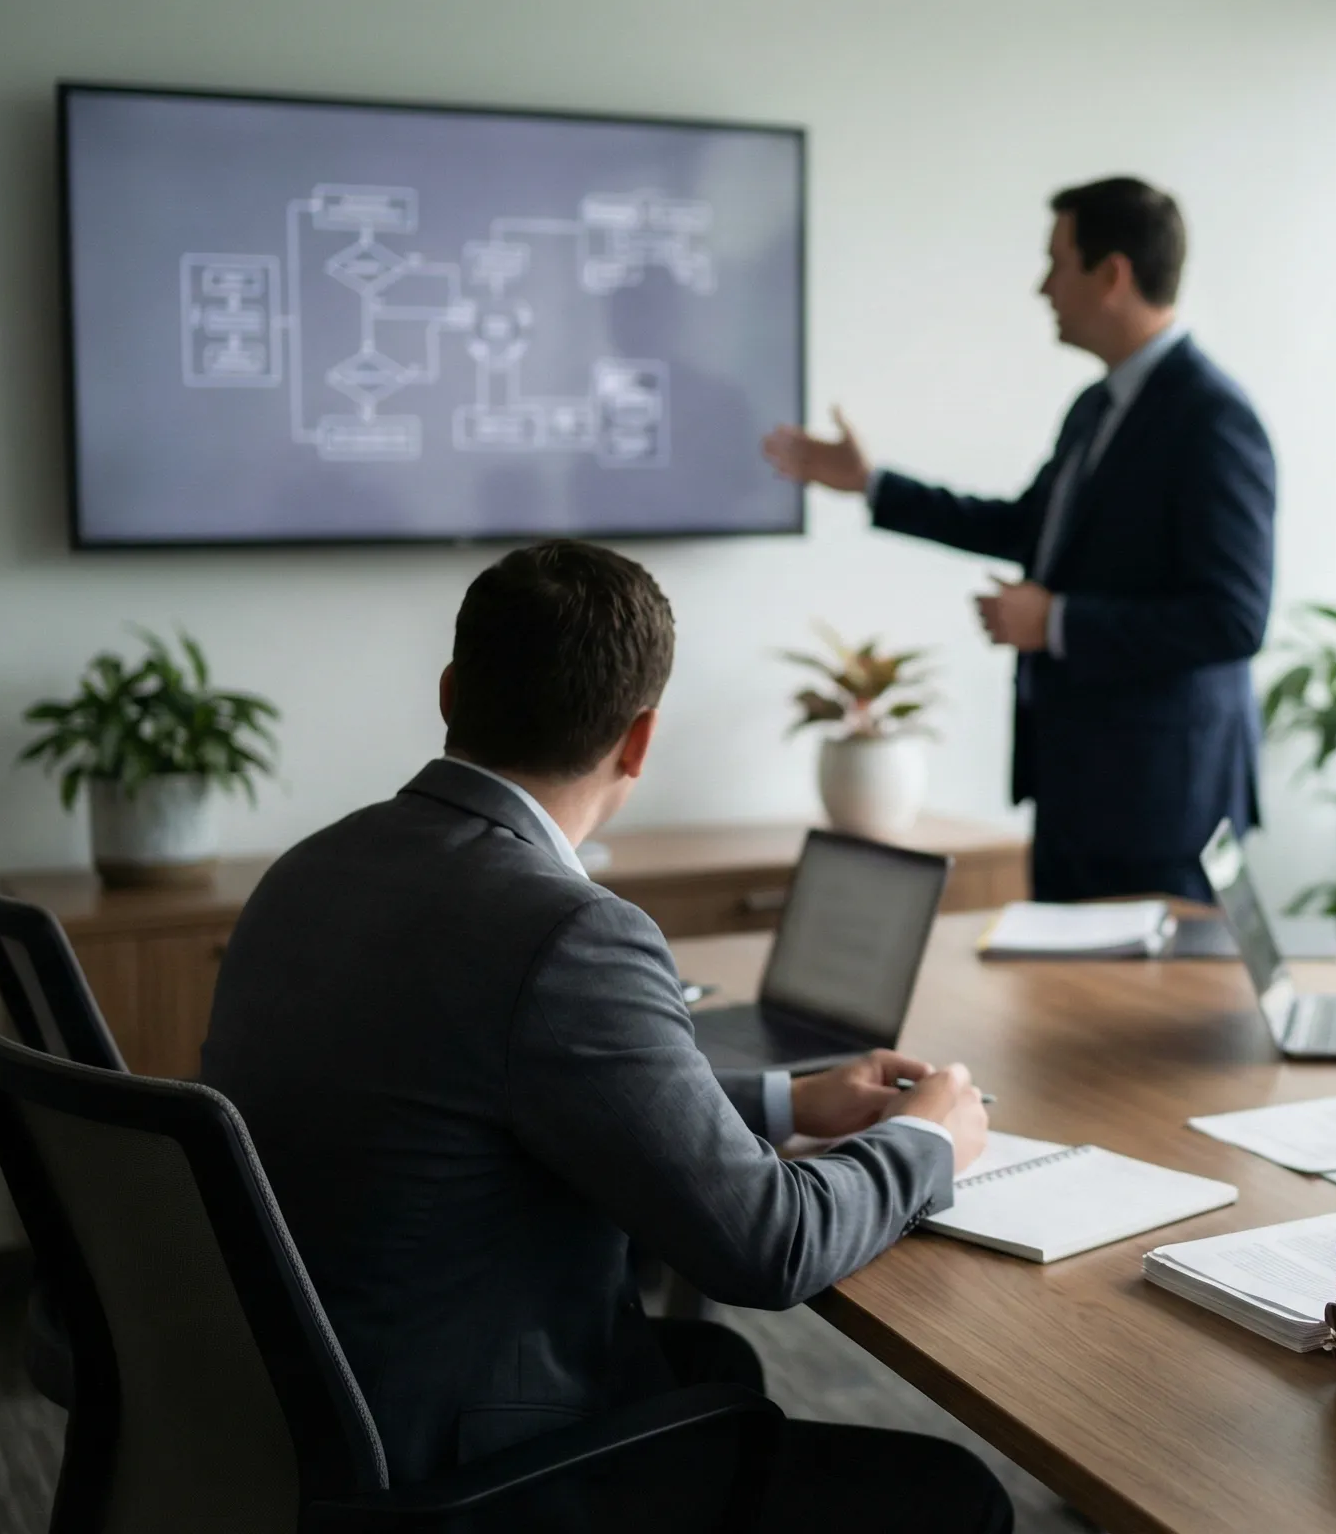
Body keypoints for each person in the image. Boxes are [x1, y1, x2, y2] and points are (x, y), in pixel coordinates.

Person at [201, 541, 1011, 1533]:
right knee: (956, 1497)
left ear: (451, 693)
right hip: (459, 1469)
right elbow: (769, 1249)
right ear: (639, 739)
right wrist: (928, 1137)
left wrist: (782, 1104)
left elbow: (489, 1097)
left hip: (307, 1405)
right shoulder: (567, 931)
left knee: (713, 1370)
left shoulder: (308, 871)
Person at [762, 176, 1275, 902]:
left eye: (1057, 262)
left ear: (1112, 275)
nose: (1043, 287)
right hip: (1078, 792)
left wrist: (1056, 621)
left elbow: (1234, 618)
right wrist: (871, 484)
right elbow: (1027, 528)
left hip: (1163, 810)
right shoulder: (1097, 407)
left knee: (1151, 1019)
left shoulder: (1214, 420)